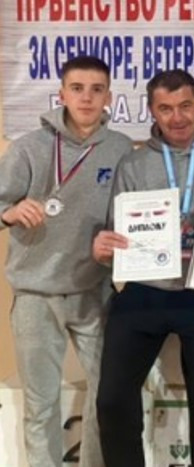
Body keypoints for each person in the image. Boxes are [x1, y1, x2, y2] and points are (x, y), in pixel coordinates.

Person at [91, 69, 194, 467]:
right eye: (165, 109)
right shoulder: (134, 163)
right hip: (146, 291)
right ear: (152, 111)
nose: (177, 117)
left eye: (185, 106)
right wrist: (104, 248)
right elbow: (117, 234)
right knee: (111, 398)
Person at [0, 56, 133, 467]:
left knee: (105, 397)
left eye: (96, 89)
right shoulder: (28, 147)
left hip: (92, 290)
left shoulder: (120, 148)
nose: (86, 98)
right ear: (61, 94)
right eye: (77, 88)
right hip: (35, 293)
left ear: (109, 97)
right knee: (40, 404)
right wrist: (10, 211)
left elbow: (127, 215)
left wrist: (115, 242)